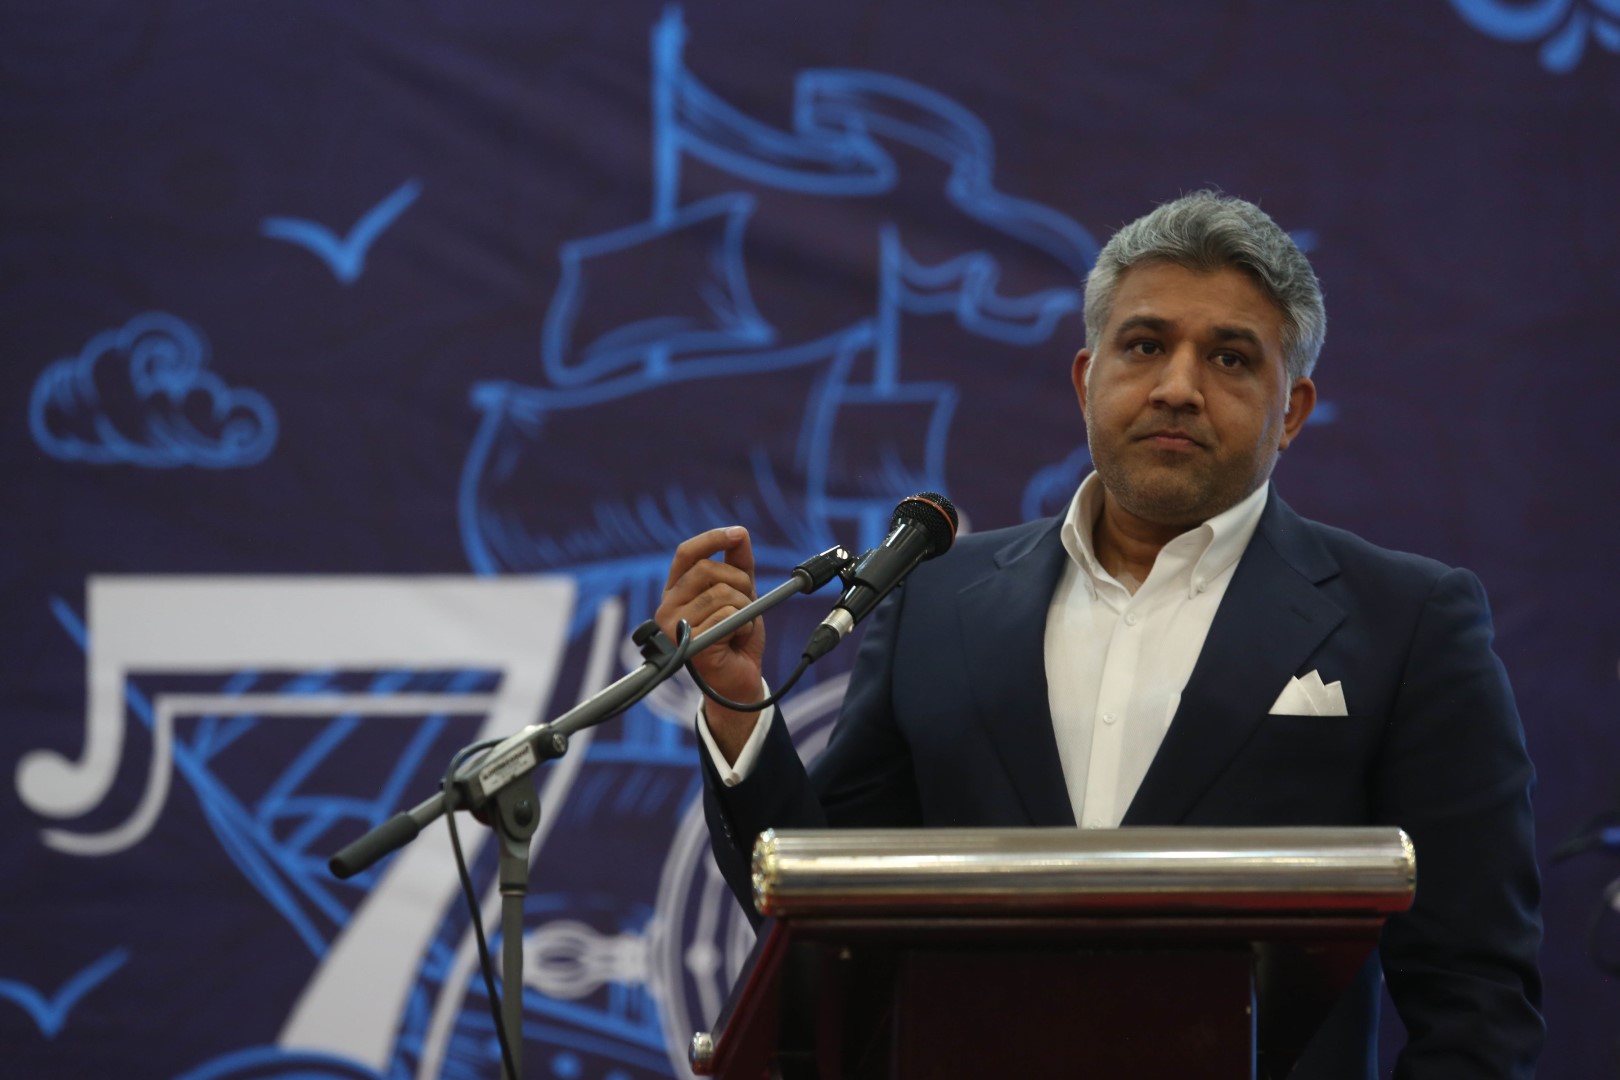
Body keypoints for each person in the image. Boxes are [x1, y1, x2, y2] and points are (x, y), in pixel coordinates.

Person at [656, 191, 1543, 1078]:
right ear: (1087, 380)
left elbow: (1475, 998)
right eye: (1145, 345)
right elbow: (824, 915)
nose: (1178, 388)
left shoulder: (1407, 622)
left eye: (1230, 358)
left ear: (1292, 411)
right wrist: (738, 712)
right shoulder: (939, 600)